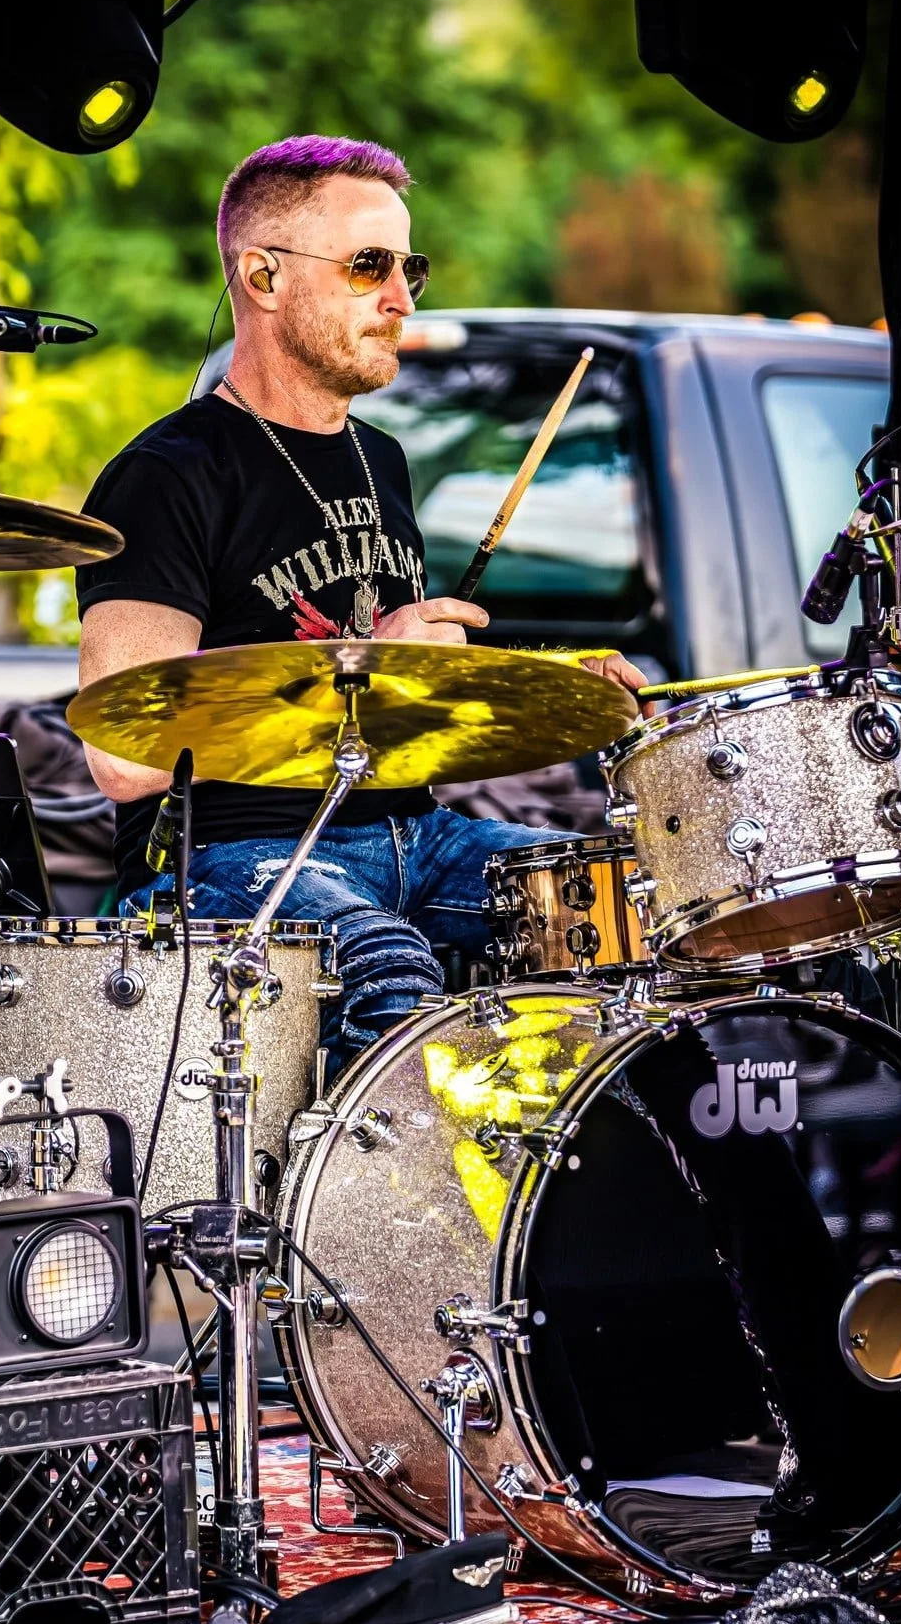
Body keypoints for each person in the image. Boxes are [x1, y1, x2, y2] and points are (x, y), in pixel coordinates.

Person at [75, 134, 647, 1069]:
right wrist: (366, 658)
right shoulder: (166, 475)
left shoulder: (381, 459)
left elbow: (385, 693)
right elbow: (122, 755)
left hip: (415, 830)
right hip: (230, 852)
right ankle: (384, 1215)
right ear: (262, 276)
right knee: (384, 965)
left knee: (627, 905)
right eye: (367, 266)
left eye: (408, 266)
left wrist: (534, 687)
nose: (401, 299)